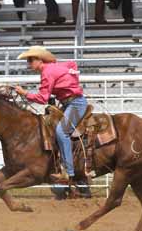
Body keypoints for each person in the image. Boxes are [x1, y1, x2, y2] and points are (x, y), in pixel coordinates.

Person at [14, 46, 88, 186]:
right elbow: (72, 66)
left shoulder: (47, 72)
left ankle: (68, 171)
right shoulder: (54, 67)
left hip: (75, 104)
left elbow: (42, 98)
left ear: (39, 60)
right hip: (70, 102)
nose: (29, 63)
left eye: (30, 60)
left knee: (61, 132)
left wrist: (24, 93)